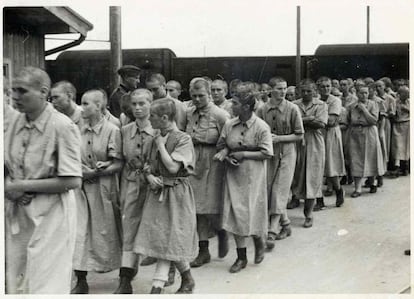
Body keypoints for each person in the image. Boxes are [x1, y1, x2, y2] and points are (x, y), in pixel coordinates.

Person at [5, 67, 82, 293]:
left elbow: (72, 180)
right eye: (13, 91)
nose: (15, 97)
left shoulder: (62, 126)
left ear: (43, 92)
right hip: (18, 213)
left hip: (52, 216)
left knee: (46, 284)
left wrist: (22, 186)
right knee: (17, 282)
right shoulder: (14, 124)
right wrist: (9, 186)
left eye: (22, 91)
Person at [134, 98, 197, 294]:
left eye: (151, 116)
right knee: (163, 238)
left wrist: (161, 145)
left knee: (171, 237)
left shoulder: (183, 139)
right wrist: (150, 176)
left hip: (176, 194)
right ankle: (187, 278)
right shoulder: (155, 137)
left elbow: (172, 167)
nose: (148, 119)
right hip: (157, 193)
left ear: (164, 118)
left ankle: (157, 286)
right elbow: (146, 165)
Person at [214, 88, 273, 273]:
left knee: (251, 211)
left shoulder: (261, 126)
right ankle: (241, 257)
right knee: (235, 214)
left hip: (253, 176)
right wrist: (225, 154)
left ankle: (259, 240)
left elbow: (267, 153)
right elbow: (222, 144)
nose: (232, 106)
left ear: (247, 107)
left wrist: (244, 154)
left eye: (236, 103)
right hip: (233, 175)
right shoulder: (229, 125)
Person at [71, 89, 124, 294]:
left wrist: (96, 172)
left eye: (86, 104)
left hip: (105, 189)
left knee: (110, 231)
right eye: (81, 103)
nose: (81, 107)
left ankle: (124, 277)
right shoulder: (77, 130)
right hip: (82, 189)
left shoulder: (112, 130)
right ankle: (81, 280)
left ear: (99, 106)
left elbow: (118, 163)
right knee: (80, 232)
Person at [113, 89, 157, 293]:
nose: (138, 108)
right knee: (129, 229)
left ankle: (174, 271)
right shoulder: (124, 131)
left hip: (154, 187)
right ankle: (125, 279)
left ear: (151, 104)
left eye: (142, 104)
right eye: (134, 104)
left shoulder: (159, 129)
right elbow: (120, 161)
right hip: (131, 183)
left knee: (157, 228)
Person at [186, 78, 230, 268]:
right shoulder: (188, 113)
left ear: (209, 94)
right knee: (197, 210)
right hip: (194, 162)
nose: (197, 99)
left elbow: (231, 140)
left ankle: (222, 233)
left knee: (212, 208)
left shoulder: (220, 115)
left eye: (201, 95)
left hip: (213, 163)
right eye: (194, 96)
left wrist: (224, 152)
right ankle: (203, 251)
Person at [256, 77, 303, 250]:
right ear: (271, 90)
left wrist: (280, 139)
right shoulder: (262, 109)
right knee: (269, 188)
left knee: (280, 189)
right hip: (269, 153)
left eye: (284, 88)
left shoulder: (292, 109)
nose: (283, 92)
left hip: (288, 152)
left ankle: (272, 230)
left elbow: (299, 134)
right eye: (279, 88)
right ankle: (286, 224)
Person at [292, 79, 328, 227]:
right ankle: (295, 199)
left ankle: (309, 213)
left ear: (314, 91)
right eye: (303, 91)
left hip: (314, 142)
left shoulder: (321, 105)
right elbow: (291, 123)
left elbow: (321, 124)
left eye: (309, 91)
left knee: (312, 176)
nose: (306, 94)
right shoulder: (294, 105)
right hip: (297, 142)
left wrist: (301, 120)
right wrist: (309, 119)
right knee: (297, 175)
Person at [347, 84, 384, 197]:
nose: (363, 95)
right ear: (356, 93)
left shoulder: (373, 104)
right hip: (356, 134)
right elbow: (349, 120)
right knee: (356, 158)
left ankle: (372, 182)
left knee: (371, 157)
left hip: (370, 133)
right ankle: (357, 188)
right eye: (361, 93)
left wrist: (364, 110)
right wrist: (357, 122)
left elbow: (373, 120)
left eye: (366, 93)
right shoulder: (351, 106)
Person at [315, 77, 346, 210]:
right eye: (323, 87)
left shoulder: (335, 100)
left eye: (328, 86)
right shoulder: (315, 100)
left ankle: (338, 190)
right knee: (316, 166)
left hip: (331, 135)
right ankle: (319, 198)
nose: (326, 89)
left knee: (330, 166)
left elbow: (331, 121)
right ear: (318, 88)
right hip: (317, 133)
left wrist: (314, 118)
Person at [391, 86, 410, 175]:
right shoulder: (395, 102)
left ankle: (405, 166)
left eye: (407, 93)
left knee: (406, 146)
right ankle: (397, 166)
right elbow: (392, 112)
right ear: (399, 94)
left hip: (407, 124)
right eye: (404, 93)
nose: (407, 95)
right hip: (397, 124)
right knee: (398, 146)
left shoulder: (410, 102)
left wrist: (406, 109)